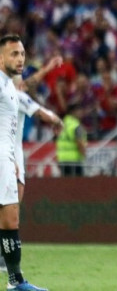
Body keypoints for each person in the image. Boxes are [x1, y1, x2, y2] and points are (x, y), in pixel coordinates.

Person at [0, 34, 48, 290]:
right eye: (13, 54)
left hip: (5, 158)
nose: (20, 59)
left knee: (9, 219)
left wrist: (11, 158)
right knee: (10, 219)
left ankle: (15, 281)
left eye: (21, 54)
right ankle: (16, 283)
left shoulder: (9, 85)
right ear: (0, 57)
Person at [56, 101, 87, 177]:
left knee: (65, 184)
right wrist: (84, 155)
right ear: (73, 112)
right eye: (79, 110)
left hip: (62, 159)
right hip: (74, 160)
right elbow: (79, 142)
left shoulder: (63, 123)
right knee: (77, 185)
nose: (81, 113)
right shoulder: (76, 126)